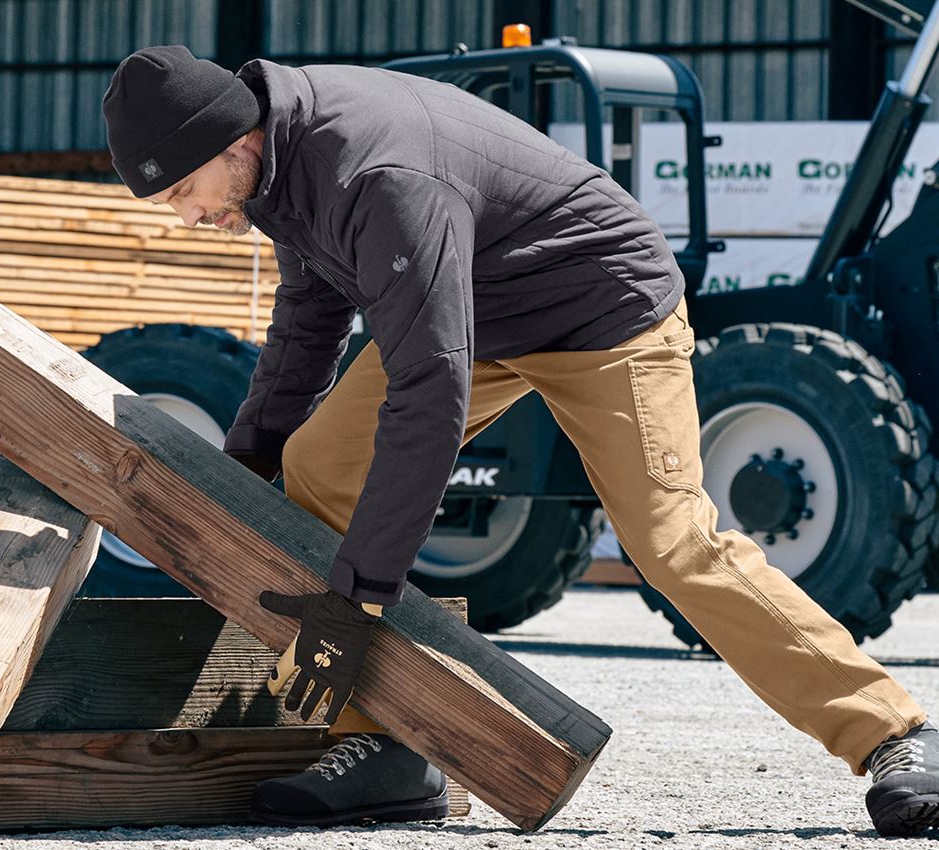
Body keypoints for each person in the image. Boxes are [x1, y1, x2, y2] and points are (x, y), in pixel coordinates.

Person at [101, 45, 938, 836]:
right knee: (318, 463)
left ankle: (892, 734)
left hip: (604, 309)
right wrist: (239, 480)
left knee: (672, 541)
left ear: (230, 141)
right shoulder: (276, 167)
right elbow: (307, 328)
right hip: (480, 309)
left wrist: (356, 599)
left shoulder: (373, 174)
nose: (187, 216)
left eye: (182, 192)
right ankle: (391, 749)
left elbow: (429, 401)